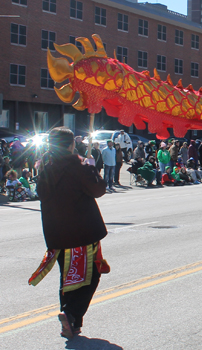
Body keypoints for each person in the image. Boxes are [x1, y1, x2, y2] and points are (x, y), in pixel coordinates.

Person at [28, 127, 109, 339]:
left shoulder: (46, 168)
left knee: (68, 277)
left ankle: (72, 322)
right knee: (89, 277)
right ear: (71, 144)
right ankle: (71, 313)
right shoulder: (78, 165)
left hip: (58, 234)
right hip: (81, 232)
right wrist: (92, 168)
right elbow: (98, 189)